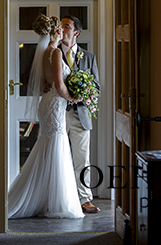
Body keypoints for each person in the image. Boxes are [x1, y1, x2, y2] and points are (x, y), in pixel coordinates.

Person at [7, 15, 84, 219]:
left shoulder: (44, 52)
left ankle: (45, 196)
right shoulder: (57, 52)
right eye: (60, 28)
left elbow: (47, 81)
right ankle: (54, 201)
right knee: (56, 144)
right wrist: (73, 98)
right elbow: (59, 85)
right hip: (56, 103)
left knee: (49, 144)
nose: (62, 31)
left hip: (48, 103)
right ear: (56, 32)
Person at [60, 15, 101, 215]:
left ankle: (85, 199)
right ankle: (58, 197)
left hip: (80, 116)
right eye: (60, 25)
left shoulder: (89, 57)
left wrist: (83, 93)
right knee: (57, 157)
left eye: (66, 26)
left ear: (76, 32)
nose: (61, 29)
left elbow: (97, 88)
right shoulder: (50, 53)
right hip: (57, 114)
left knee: (82, 160)